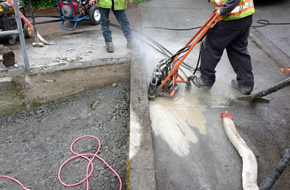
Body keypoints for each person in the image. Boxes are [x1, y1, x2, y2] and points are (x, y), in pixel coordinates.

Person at [190, 0, 255, 95]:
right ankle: (246, 83)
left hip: (230, 18)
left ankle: (206, 80)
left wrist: (222, 10)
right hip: (245, 16)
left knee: (211, 47)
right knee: (238, 50)